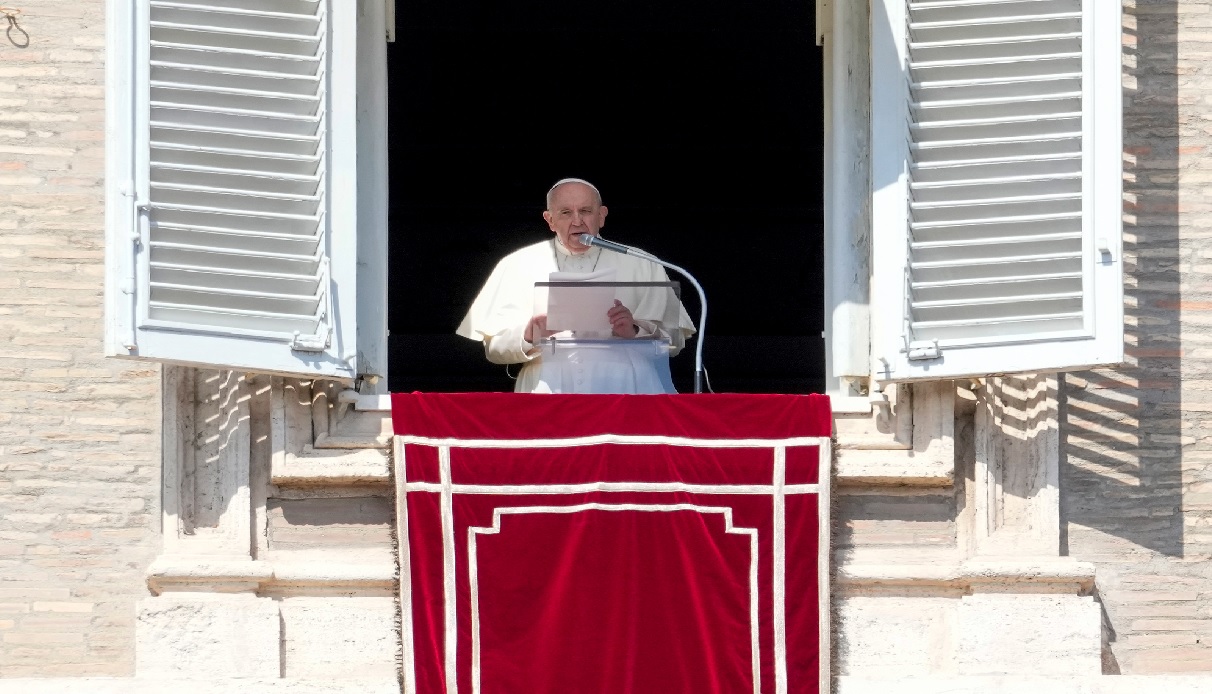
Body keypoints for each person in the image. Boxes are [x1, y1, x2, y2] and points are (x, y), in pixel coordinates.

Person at [457, 178, 696, 393]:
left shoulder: (642, 263)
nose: (577, 221)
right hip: (548, 390)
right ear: (549, 220)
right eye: (565, 213)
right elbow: (494, 350)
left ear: (601, 215)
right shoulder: (517, 264)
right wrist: (529, 334)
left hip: (627, 389)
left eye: (585, 211)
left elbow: (675, 342)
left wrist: (634, 331)